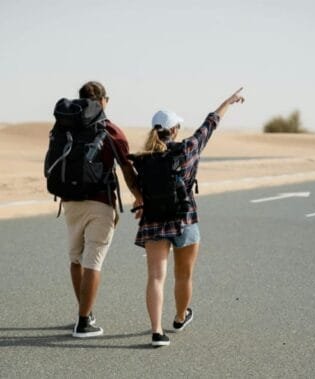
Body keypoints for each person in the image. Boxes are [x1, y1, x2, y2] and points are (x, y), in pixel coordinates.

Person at [132, 88, 244, 347]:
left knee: (156, 277)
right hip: (185, 218)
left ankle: (157, 332)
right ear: (174, 130)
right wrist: (228, 101)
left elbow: (136, 183)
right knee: (184, 275)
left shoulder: (143, 159)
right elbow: (210, 124)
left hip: (153, 221)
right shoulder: (187, 149)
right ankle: (181, 317)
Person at [61, 81, 143, 338]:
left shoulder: (66, 126)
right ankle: (84, 322)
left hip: (70, 202)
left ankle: (84, 312)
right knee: (93, 261)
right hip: (100, 202)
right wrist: (139, 197)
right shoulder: (111, 131)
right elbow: (127, 170)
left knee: (76, 259)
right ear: (103, 101)